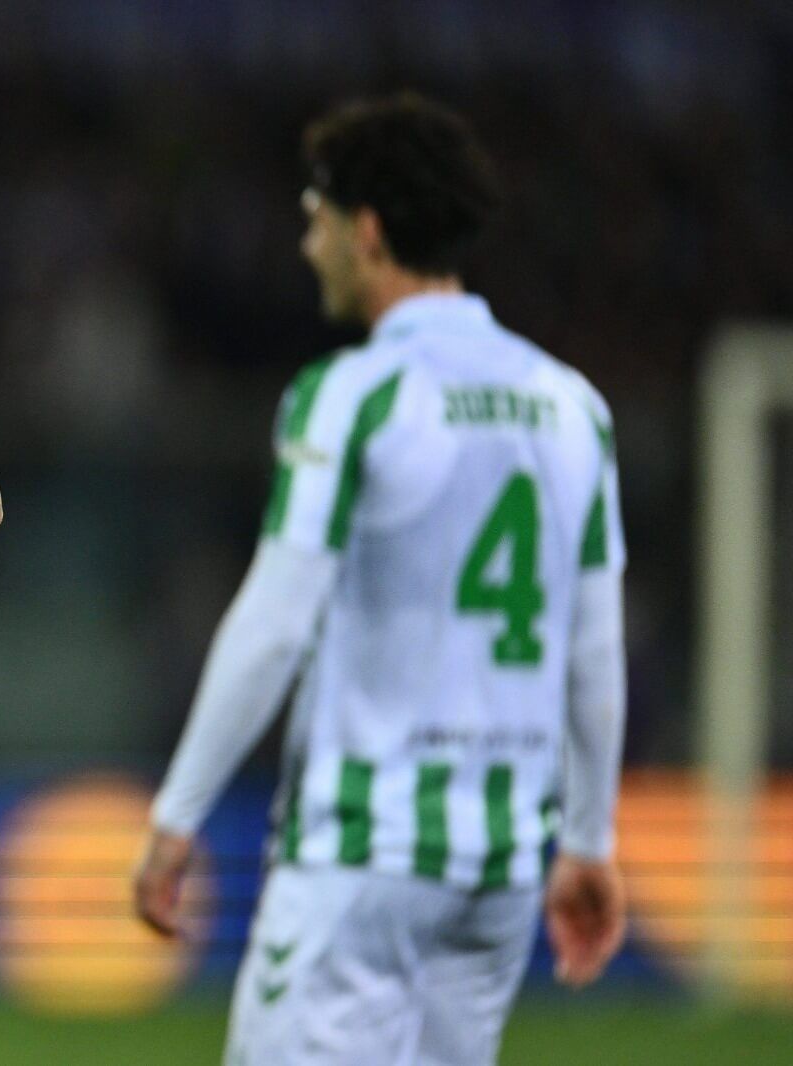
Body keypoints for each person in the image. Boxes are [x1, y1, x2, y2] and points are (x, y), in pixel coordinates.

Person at [134, 94, 627, 1066]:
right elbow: (592, 645)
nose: (307, 244)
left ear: (366, 230)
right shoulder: (572, 406)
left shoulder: (351, 398)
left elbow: (274, 623)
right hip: (498, 870)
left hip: (363, 852)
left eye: (316, 220)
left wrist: (176, 814)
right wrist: (589, 837)